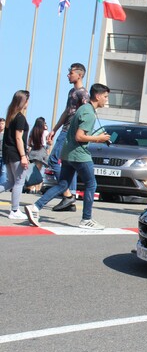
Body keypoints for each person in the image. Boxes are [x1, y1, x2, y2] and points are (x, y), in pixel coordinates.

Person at [25, 84, 111, 230]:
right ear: (98, 96)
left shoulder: (82, 108)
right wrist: (99, 139)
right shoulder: (89, 113)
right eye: (105, 97)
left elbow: (78, 133)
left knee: (63, 184)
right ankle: (86, 219)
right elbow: (79, 136)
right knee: (91, 184)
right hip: (80, 155)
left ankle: (35, 207)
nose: (106, 100)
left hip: (67, 153)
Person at [46, 63, 90, 212]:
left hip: (71, 133)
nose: (68, 75)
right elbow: (66, 112)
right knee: (69, 164)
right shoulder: (72, 91)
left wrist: (81, 133)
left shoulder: (83, 94)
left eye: (71, 73)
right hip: (64, 130)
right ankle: (70, 199)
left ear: (80, 75)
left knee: (53, 160)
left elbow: (86, 113)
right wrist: (54, 129)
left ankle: (67, 194)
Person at [0, 91, 30, 219]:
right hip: (16, 154)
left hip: (8, 153)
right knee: (19, 182)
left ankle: (15, 210)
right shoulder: (20, 118)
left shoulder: (10, 117)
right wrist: (23, 156)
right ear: (24, 102)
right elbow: (19, 138)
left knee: (11, 182)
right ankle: (15, 210)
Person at [25, 117, 50, 194]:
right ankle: (37, 188)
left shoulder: (33, 131)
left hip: (33, 152)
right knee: (38, 172)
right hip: (41, 151)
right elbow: (49, 142)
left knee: (32, 171)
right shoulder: (45, 132)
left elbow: (29, 143)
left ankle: (29, 187)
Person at [0, 117, 6, 186]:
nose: (1, 125)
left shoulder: (6, 134)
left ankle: (2, 187)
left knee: (3, 171)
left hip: (4, 155)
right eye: (0, 123)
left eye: (2, 123)